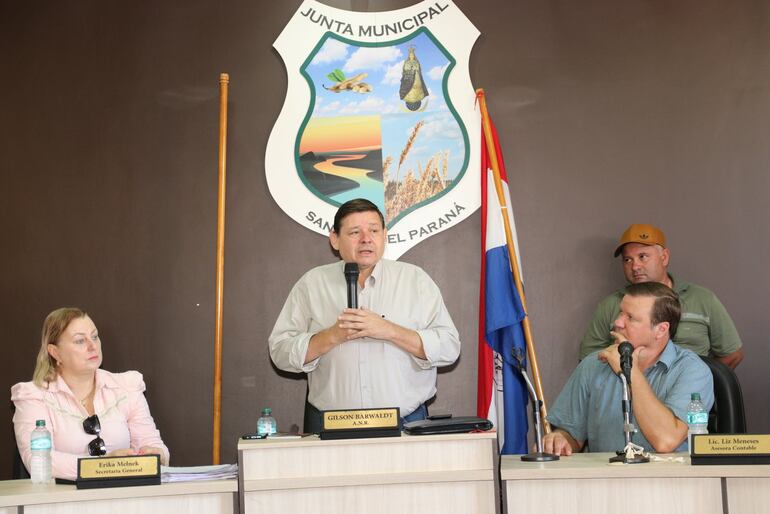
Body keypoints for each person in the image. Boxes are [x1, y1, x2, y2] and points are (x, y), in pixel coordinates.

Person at [269, 198, 461, 432]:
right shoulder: (312, 284)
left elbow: (450, 348)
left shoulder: (415, 280)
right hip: (330, 426)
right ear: (334, 239)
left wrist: (389, 330)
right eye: (354, 232)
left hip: (406, 423)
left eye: (373, 230)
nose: (366, 239)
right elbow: (279, 351)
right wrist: (331, 336)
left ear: (384, 236)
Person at [545, 282, 714, 455]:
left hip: (669, 479)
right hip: (605, 478)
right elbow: (572, 435)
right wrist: (560, 439)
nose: (617, 322)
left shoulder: (693, 371)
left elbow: (666, 440)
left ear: (661, 330)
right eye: (620, 313)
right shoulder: (593, 364)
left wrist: (630, 371)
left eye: (630, 318)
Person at [12, 308, 169, 480]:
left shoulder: (126, 387)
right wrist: (105, 466)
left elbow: (154, 446)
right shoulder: (34, 396)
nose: (92, 346)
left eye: (94, 337)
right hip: (62, 502)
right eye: (80, 340)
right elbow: (39, 461)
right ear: (55, 352)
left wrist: (156, 454)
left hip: (126, 500)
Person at [579, 223, 743, 368]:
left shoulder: (703, 299)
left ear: (664, 257)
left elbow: (732, 355)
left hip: (689, 396)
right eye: (627, 260)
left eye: (643, 257)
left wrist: (698, 384)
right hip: (630, 394)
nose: (635, 266)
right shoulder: (611, 304)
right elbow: (588, 358)